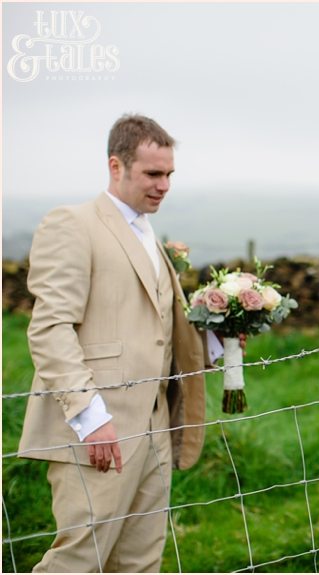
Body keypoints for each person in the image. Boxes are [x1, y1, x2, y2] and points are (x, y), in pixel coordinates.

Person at [18, 114, 221, 572]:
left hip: (154, 427)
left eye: (169, 174)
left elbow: (152, 328)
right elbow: (50, 327)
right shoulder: (72, 224)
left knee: (139, 564)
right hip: (97, 430)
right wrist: (90, 417)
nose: (164, 185)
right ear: (116, 166)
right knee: (78, 562)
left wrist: (216, 344)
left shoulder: (148, 233)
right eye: (153, 173)